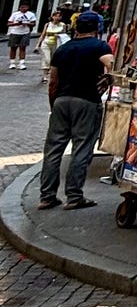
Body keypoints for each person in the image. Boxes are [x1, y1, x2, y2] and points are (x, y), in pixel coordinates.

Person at [37, 11, 112, 211]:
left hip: (61, 101)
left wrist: (54, 105)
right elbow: (112, 65)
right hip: (86, 101)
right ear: (97, 28)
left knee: (53, 151)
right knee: (82, 148)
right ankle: (74, 196)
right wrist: (109, 76)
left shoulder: (63, 49)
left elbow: (53, 82)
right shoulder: (99, 46)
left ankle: (47, 196)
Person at [7, 1, 36, 71]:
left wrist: (27, 23)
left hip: (25, 32)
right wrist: (17, 24)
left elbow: (34, 23)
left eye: (25, 7)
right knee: (13, 47)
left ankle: (21, 63)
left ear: (28, 7)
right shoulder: (15, 14)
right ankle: (12, 62)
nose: (24, 8)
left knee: (23, 47)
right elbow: (9, 23)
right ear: (20, 7)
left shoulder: (31, 14)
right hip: (15, 32)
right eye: (22, 7)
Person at [37, 9, 68, 75]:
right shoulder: (48, 24)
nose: (57, 18)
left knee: (54, 59)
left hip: (56, 44)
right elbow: (43, 34)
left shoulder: (63, 25)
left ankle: (48, 74)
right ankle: (47, 73)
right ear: (52, 16)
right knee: (47, 58)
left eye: (59, 16)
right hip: (46, 43)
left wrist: (59, 35)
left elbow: (64, 35)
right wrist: (38, 45)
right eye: (56, 16)